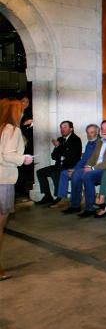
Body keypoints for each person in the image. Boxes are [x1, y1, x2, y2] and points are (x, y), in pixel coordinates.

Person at [0, 99, 34, 280]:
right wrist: (24, 159)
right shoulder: (13, 130)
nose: (22, 114)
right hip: (3, 180)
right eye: (21, 111)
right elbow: (8, 155)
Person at [62, 120, 106, 217]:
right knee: (76, 173)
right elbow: (93, 157)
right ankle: (75, 205)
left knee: (88, 175)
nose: (104, 130)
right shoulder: (100, 141)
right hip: (95, 168)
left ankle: (90, 208)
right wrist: (88, 165)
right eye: (102, 128)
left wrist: (93, 168)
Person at [50, 124, 100, 208]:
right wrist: (74, 169)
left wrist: (76, 170)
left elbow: (97, 160)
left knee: (75, 174)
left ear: (97, 133)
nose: (89, 135)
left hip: (94, 168)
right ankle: (63, 198)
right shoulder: (89, 143)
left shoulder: (100, 143)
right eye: (87, 133)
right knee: (64, 173)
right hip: (84, 167)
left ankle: (76, 203)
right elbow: (84, 159)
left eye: (92, 132)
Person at [35, 120, 82, 205]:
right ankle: (47, 195)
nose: (62, 129)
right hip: (58, 165)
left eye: (65, 127)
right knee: (40, 172)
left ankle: (59, 197)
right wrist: (60, 150)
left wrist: (59, 147)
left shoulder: (76, 140)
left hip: (69, 167)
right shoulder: (60, 139)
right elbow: (53, 156)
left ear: (71, 129)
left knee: (55, 173)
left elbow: (71, 156)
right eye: (61, 127)